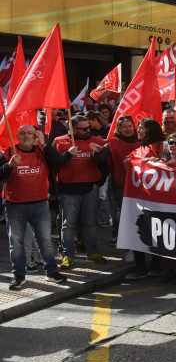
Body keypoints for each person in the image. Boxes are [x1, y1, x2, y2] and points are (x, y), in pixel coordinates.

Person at [2, 124, 68, 289]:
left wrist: (44, 144)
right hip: (15, 206)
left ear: (35, 136)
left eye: (30, 133)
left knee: (45, 241)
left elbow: (59, 161)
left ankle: (51, 272)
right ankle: (18, 276)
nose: (26, 136)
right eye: (22, 133)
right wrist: (8, 165)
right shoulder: (8, 152)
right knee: (16, 243)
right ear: (17, 136)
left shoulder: (42, 151)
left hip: (39, 204)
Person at [45, 114, 110, 268]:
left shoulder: (97, 141)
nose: (88, 130)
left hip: (90, 190)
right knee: (68, 225)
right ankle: (67, 254)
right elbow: (52, 163)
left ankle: (92, 252)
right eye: (84, 129)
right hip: (68, 191)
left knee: (90, 224)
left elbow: (105, 167)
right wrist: (67, 154)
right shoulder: (60, 141)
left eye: (89, 127)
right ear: (72, 129)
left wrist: (98, 183)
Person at [123, 118, 166, 280]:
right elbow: (129, 166)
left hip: (154, 198)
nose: (138, 131)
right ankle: (139, 266)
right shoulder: (138, 148)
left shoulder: (162, 146)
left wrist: (156, 162)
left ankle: (157, 264)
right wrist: (128, 162)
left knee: (153, 230)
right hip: (137, 197)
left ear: (150, 130)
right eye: (138, 128)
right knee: (137, 230)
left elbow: (169, 165)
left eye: (142, 128)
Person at [103, 116, 140, 246]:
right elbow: (103, 161)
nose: (128, 129)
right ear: (119, 128)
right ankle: (121, 239)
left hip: (139, 185)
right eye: (125, 127)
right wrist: (98, 153)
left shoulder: (140, 141)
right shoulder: (112, 143)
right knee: (122, 211)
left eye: (130, 126)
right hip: (120, 184)